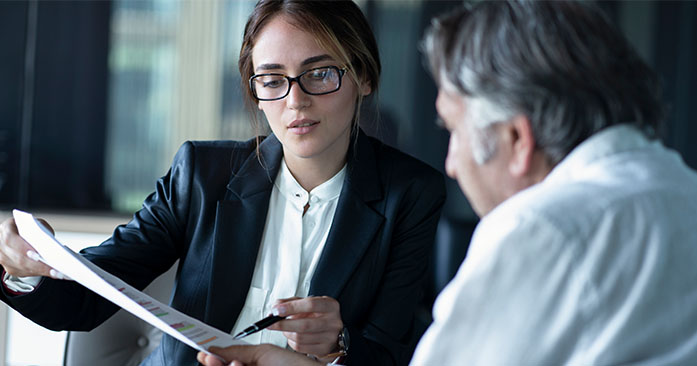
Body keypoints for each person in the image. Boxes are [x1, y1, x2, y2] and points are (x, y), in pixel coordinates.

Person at [196, 0, 697, 365]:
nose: (452, 163)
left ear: (517, 138)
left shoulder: (540, 229)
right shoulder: (682, 191)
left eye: (454, 130)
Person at [0, 1, 445, 365]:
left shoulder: (410, 193)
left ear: (363, 77)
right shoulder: (200, 173)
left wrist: (338, 345)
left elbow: (392, 352)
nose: (296, 100)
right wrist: (24, 271)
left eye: (320, 73)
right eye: (272, 80)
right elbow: (88, 297)